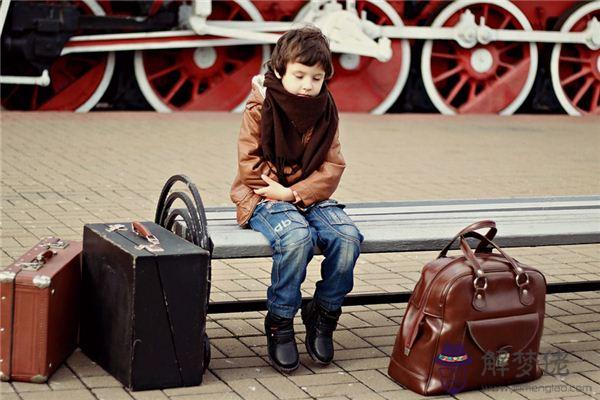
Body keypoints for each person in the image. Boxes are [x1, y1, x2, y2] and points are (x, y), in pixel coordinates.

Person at [230, 26, 363, 373]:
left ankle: (324, 313)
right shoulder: (261, 105)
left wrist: (294, 193)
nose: (307, 85)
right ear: (279, 72)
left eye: (316, 78)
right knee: (296, 238)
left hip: (303, 194)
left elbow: (333, 165)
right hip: (262, 195)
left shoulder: (326, 111)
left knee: (347, 238)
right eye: (299, 75)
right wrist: (279, 194)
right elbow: (249, 162)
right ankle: (280, 321)